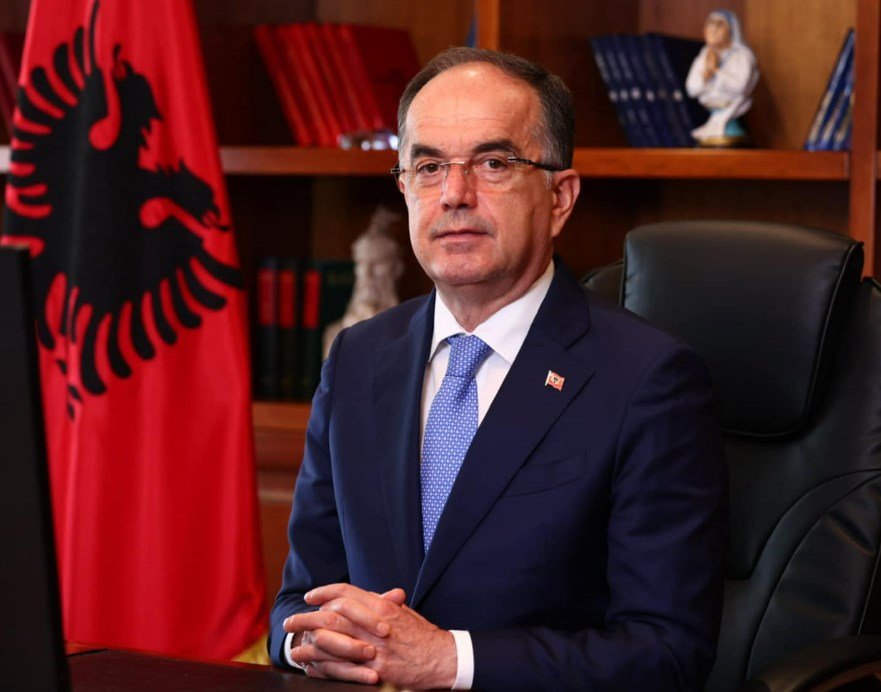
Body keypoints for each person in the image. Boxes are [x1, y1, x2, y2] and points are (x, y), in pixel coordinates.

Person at [269, 47, 727, 690]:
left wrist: (449, 659)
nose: (454, 195)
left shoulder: (649, 380)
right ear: (404, 188)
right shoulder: (356, 358)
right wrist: (308, 644)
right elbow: (297, 603)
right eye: (429, 166)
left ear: (560, 197)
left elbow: (668, 652)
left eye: (493, 163)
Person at [686, 9, 759, 145]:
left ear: (731, 30)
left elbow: (740, 87)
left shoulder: (742, 56)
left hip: (732, 108)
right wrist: (706, 76)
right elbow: (691, 89)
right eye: (709, 25)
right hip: (711, 108)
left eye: (719, 25)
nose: (712, 30)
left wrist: (716, 70)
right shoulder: (704, 56)